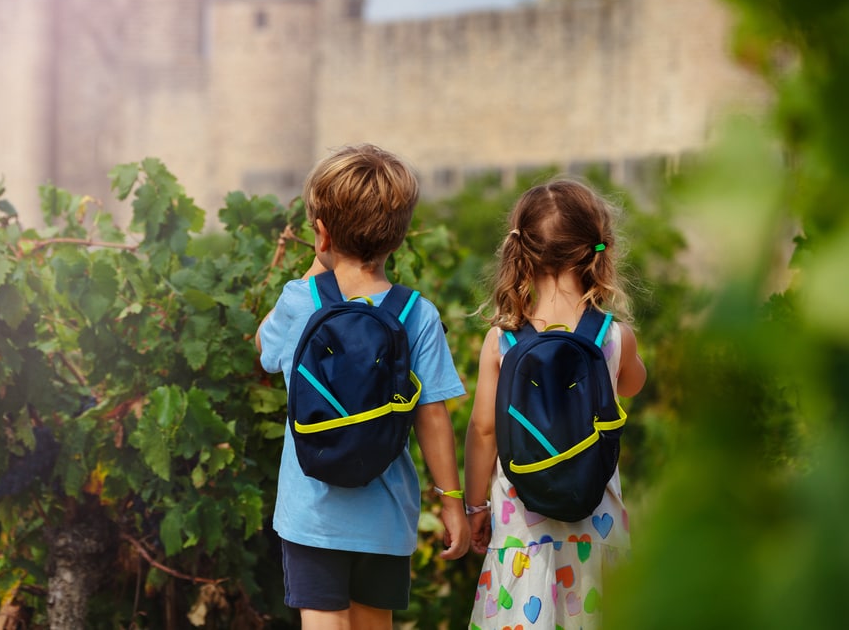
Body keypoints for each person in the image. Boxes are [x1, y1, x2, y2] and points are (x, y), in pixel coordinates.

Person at [256, 143, 469, 630]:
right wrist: (451, 502)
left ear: (322, 232)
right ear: (398, 237)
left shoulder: (298, 301)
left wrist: (315, 265)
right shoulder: (418, 314)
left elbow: (263, 349)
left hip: (311, 516)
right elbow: (432, 415)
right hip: (386, 515)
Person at [463, 178, 647, 630]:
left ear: (520, 251)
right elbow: (633, 386)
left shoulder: (502, 341)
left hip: (521, 526)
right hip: (596, 524)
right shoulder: (614, 336)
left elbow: (483, 430)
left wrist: (474, 507)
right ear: (596, 249)